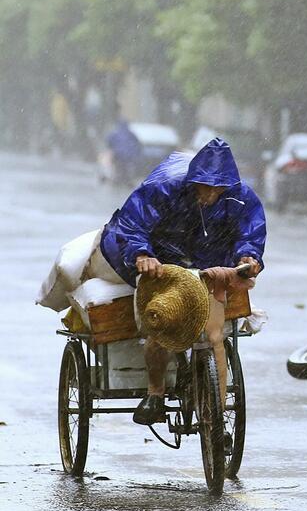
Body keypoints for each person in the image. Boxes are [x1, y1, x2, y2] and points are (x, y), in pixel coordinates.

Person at [99, 138, 266, 425]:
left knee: (216, 336)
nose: (210, 194)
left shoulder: (241, 198)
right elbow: (132, 225)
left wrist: (249, 257)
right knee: (160, 327)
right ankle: (155, 393)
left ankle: (217, 417)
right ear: (193, 180)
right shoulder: (164, 189)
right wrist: (142, 255)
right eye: (204, 186)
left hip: (211, 267)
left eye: (217, 188)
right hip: (163, 264)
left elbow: (250, 234)